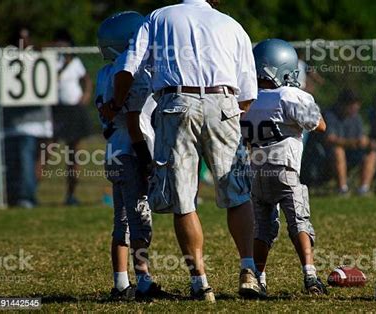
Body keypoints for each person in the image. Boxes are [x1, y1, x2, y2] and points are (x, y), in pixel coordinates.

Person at [106, 0, 262, 302]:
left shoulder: (159, 16)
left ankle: (200, 283)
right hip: (225, 101)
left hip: (177, 104)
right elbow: (248, 94)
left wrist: (116, 101)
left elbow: (128, 67)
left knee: (184, 199)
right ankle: (248, 270)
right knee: (238, 194)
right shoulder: (232, 24)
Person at [241, 39, 327, 295]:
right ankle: (310, 276)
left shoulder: (245, 99)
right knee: (299, 221)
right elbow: (320, 125)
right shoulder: (290, 95)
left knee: (263, 228)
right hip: (284, 170)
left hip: (256, 172)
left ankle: (258, 277)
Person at [96, 11, 161, 301]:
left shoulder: (104, 73)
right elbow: (135, 122)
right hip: (132, 150)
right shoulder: (135, 74)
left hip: (113, 150)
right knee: (139, 219)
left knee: (121, 220)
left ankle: (121, 283)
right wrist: (146, 159)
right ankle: (144, 281)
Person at [3, 25, 53, 209]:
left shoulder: (39, 59)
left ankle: (26, 196)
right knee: (14, 163)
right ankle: (15, 196)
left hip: (35, 122)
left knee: (29, 160)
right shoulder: (4, 60)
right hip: (12, 123)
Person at [52, 29, 93, 206]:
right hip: (57, 110)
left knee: (74, 155)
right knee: (48, 150)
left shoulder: (76, 62)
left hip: (75, 110)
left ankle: (71, 194)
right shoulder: (52, 62)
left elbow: (87, 80)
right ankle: (29, 192)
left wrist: (85, 96)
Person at [322, 89, 376, 195]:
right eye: (352, 106)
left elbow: (361, 137)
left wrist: (367, 142)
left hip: (353, 153)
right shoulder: (329, 115)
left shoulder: (356, 117)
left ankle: (363, 188)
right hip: (330, 155)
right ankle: (342, 189)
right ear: (343, 105)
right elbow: (330, 139)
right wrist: (352, 142)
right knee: (338, 151)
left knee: (372, 154)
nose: (355, 109)